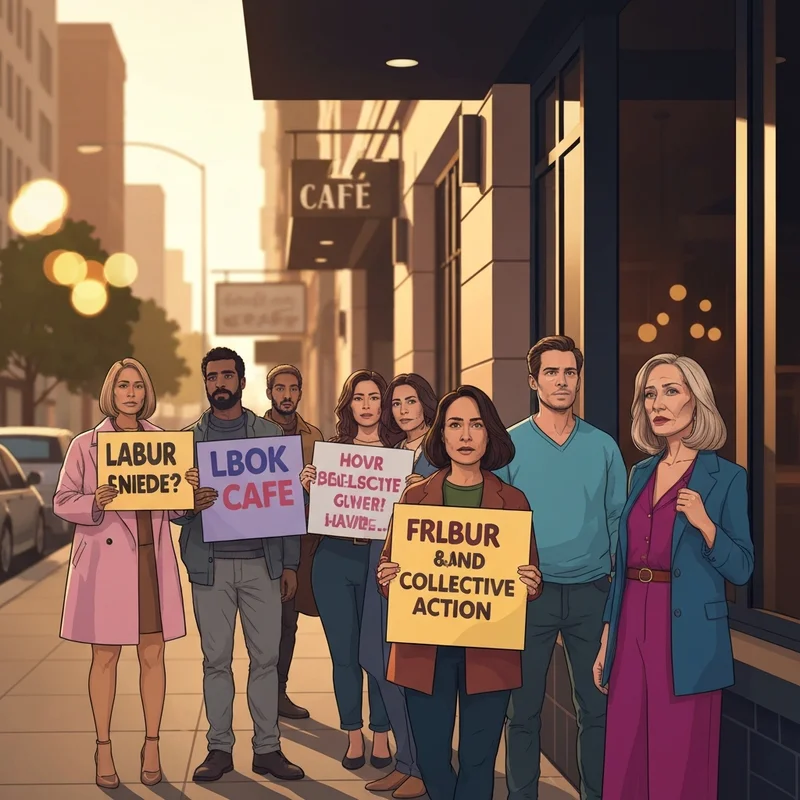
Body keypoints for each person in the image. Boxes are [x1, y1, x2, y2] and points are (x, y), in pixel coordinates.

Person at [593, 354, 754, 799]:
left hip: (687, 632)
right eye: (649, 393)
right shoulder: (640, 472)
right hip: (631, 626)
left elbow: (741, 568)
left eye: (671, 391)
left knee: (679, 752)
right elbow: (623, 560)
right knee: (626, 746)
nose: (657, 403)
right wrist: (609, 633)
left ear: (696, 401)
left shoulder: (726, 478)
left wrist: (706, 524)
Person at [377, 385, 543, 800]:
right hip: (424, 650)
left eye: (476, 424)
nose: (466, 435)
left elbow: (528, 574)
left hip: (488, 650)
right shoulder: (415, 496)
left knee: (478, 760)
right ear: (442, 434)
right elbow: (390, 570)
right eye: (455, 425)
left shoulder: (513, 501)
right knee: (432, 758)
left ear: (490, 436)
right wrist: (388, 576)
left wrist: (531, 584)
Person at [496, 335, 627, 800]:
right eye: (551, 373)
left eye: (569, 372)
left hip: (592, 593)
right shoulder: (509, 447)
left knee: (596, 708)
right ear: (533, 381)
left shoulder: (604, 447)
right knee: (523, 710)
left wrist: (616, 591)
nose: (562, 381)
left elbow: (618, 523)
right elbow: (498, 523)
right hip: (529, 596)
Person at [54, 358, 190, 789]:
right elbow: (62, 501)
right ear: (110, 393)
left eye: (137, 386)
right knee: (106, 656)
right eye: (122, 386)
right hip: (106, 563)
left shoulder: (163, 442)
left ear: (147, 393)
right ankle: (103, 746)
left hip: (150, 558)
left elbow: (176, 508)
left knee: (152, 655)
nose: (130, 393)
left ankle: (151, 744)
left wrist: (187, 490)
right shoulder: (86, 445)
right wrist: (94, 500)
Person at [173, 347, 304, 783]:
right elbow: (170, 508)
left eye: (228, 375)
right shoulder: (187, 440)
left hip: (261, 566)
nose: (220, 383)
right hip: (210, 568)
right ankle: (219, 747)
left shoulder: (269, 435)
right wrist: (187, 504)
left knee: (265, 659)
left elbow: (289, 504)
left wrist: (289, 564)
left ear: (242, 382)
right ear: (206, 383)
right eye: (212, 377)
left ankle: (267, 748)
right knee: (216, 661)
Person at [299, 370, 393, 772]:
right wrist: (308, 487)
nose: (367, 405)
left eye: (374, 397)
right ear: (349, 404)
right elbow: (312, 518)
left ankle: (384, 735)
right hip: (334, 560)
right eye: (359, 397)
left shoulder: (400, 452)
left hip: (380, 561)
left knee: (381, 653)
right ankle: (354, 735)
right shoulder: (331, 451)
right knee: (344, 654)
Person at [354, 373, 440, 798]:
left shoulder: (440, 455)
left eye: (411, 401)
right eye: (396, 404)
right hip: (381, 564)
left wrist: (429, 490)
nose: (403, 410)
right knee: (377, 659)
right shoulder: (387, 455)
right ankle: (406, 761)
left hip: (421, 572)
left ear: (427, 404)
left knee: (413, 669)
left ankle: (424, 766)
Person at [264, 363, 324, 720]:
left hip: (297, 537)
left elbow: (324, 491)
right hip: (259, 538)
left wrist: (310, 489)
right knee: (265, 623)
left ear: (301, 392)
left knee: (288, 621)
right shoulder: (253, 431)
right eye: (280, 388)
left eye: (293, 389)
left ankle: (278, 692)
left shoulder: (313, 436)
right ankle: (263, 690)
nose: (287, 395)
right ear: (269, 392)